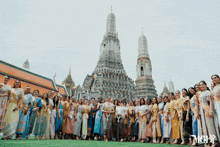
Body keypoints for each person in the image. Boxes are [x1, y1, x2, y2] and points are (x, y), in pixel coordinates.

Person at [198, 81, 218, 147]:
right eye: (200, 85)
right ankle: (207, 142)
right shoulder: (200, 94)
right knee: (204, 127)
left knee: (210, 126)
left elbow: (211, 102)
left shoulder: (208, 92)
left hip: (207, 110)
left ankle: (214, 142)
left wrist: (211, 111)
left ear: (206, 85)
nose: (201, 86)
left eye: (203, 84)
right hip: (202, 111)